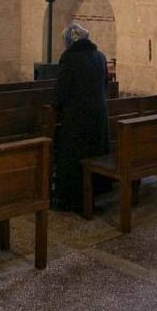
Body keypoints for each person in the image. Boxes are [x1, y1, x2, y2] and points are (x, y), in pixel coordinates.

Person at [52, 23, 110, 213]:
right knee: (94, 153)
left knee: (73, 156)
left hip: (77, 116)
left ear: (70, 40)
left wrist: (56, 105)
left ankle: (73, 199)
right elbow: (105, 85)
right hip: (99, 113)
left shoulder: (69, 58)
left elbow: (63, 89)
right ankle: (95, 192)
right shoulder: (100, 57)